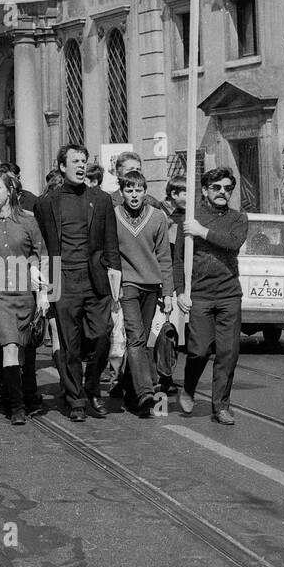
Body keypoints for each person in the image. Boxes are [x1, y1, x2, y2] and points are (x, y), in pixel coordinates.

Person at [34, 145, 122, 422]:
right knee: (70, 344)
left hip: (95, 281)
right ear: (62, 166)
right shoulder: (47, 203)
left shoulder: (102, 199)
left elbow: (111, 244)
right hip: (63, 280)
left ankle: (93, 386)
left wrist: (115, 282)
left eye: (84, 161)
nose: (81, 165)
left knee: (101, 336)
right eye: (75, 161)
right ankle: (76, 399)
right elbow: (42, 246)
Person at [0, 171, 48, 425]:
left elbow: (41, 254)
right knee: (9, 346)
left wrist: (44, 292)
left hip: (25, 292)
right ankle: (16, 407)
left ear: (10, 190)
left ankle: (22, 395)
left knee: (23, 349)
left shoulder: (28, 221)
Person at [174, 168, 249, 426]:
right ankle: (189, 387)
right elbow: (178, 260)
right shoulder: (190, 218)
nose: (222, 193)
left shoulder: (238, 219)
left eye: (227, 188)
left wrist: (201, 232)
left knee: (228, 352)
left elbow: (233, 242)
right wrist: (180, 291)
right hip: (200, 296)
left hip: (229, 295)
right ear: (205, 190)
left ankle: (222, 406)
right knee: (199, 350)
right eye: (216, 187)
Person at [112, 170, 173, 418]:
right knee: (135, 338)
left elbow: (164, 257)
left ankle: (128, 391)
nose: (134, 195)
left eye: (138, 190)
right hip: (127, 285)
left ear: (145, 192)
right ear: (122, 193)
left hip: (151, 285)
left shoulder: (158, 218)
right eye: (129, 190)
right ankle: (146, 393)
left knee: (143, 339)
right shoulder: (114, 216)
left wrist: (168, 292)